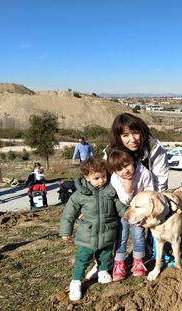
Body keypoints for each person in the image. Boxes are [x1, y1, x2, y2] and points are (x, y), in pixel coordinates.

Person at [59, 157, 127, 301]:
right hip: (87, 236)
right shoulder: (80, 194)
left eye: (104, 176)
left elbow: (119, 206)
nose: (102, 180)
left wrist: (129, 215)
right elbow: (69, 213)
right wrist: (66, 231)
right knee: (82, 259)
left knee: (105, 255)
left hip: (107, 233)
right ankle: (76, 281)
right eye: (97, 178)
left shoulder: (110, 190)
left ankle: (102, 272)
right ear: (87, 177)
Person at [104, 113, 169, 259]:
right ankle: (105, 260)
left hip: (148, 195)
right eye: (125, 135)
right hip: (121, 199)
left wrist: (149, 210)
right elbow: (104, 182)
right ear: (118, 137)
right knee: (115, 226)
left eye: (135, 132)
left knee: (154, 217)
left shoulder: (154, 149)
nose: (132, 139)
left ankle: (155, 247)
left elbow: (160, 182)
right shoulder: (111, 153)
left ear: (142, 132)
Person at [108, 149, 155, 281]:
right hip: (123, 208)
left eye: (127, 165)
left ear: (133, 161)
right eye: (120, 169)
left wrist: (145, 214)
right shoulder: (115, 178)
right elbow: (125, 200)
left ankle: (138, 261)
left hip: (139, 210)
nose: (125, 171)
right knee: (121, 235)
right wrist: (128, 186)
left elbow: (150, 193)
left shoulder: (144, 173)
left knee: (138, 234)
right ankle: (119, 263)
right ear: (115, 171)